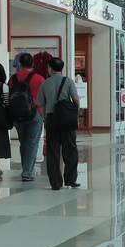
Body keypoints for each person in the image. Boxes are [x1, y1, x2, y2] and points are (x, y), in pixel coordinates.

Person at [36, 56, 80, 190]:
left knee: (53, 151)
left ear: (49, 68)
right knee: (71, 149)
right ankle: (70, 180)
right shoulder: (68, 81)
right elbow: (76, 100)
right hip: (67, 119)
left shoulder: (44, 83)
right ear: (62, 68)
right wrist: (74, 114)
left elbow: (40, 105)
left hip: (52, 119)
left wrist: (45, 117)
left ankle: (55, 182)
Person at [10, 52, 46, 182]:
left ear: (20, 63)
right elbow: (43, 99)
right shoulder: (39, 79)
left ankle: (26, 169)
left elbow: (9, 96)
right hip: (34, 114)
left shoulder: (13, 78)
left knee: (23, 142)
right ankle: (26, 172)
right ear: (32, 63)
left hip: (17, 115)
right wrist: (44, 115)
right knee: (32, 142)